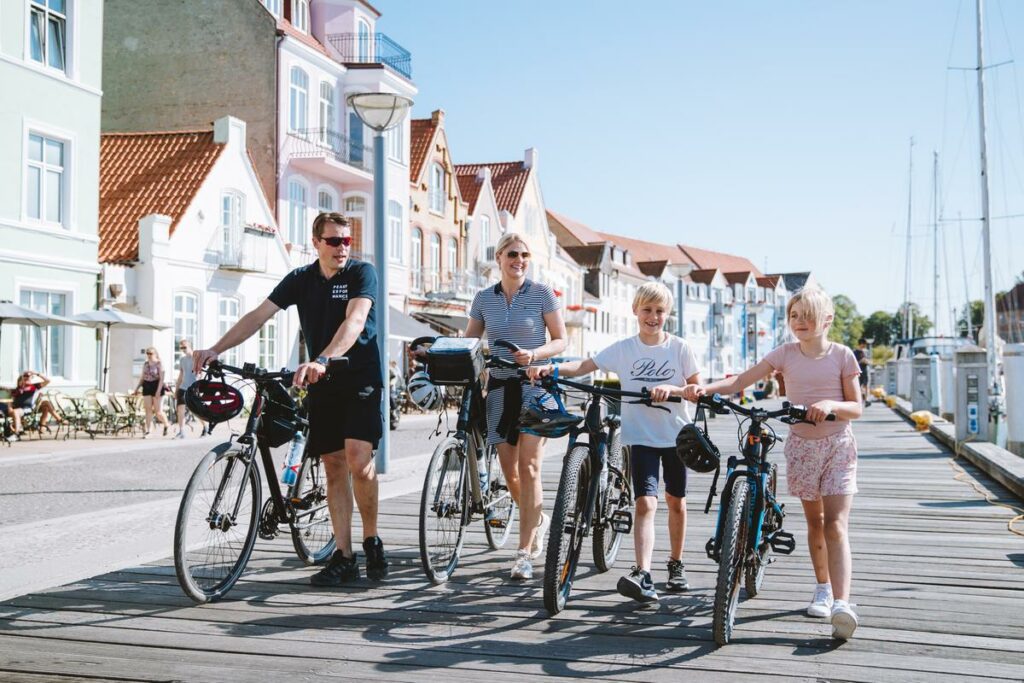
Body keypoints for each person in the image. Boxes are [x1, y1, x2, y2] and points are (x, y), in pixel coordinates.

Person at [194, 211, 388, 586]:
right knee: (333, 465)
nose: (341, 248)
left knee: (358, 460)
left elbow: (355, 321)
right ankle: (344, 556)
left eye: (346, 241)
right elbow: (258, 316)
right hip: (322, 382)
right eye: (333, 241)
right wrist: (216, 349)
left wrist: (322, 359)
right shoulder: (301, 279)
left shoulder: (362, 274)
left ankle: (372, 538)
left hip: (359, 376)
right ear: (315, 242)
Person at [683, 286, 864, 640]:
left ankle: (842, 603)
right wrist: (704, 389)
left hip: (838, 446)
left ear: (827, 320)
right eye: (794, 315)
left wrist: (829, 404)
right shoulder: (784, 354)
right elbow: (740, 381)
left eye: (808, 315)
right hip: (801, 447)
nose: (800, 322)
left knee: (836, 526)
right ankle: (823, 587)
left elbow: (856, 407)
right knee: (816, 522)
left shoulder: (842, 356)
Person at [528, 282, 699, 602]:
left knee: (676, 501)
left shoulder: (679, 348)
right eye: (647, 310)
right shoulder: (624, 348)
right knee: (645, 502)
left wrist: (672, 390)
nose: (653, 316)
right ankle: (643, 572)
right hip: (642, 438)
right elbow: (585, 365)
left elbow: (695, 386)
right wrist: (550, 368)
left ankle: (676, 563)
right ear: (635, 311)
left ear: (668, 314)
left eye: (659, 311)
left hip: (676, 436)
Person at [465, 232, 567, 580]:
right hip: (498, 387)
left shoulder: (542, 294)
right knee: (509, 472)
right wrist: (440, 352)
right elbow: (470, 341)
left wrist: (536, 355)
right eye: (512, 254)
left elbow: (561, 340)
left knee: (530, 468)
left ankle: (524, 552)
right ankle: (536, 517)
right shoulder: (483, 298)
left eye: (524, 254)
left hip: (536, 386)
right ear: (499, 258)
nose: (519, 260)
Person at [1, 370, 60, 440]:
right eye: (25, 376)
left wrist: (36, 373)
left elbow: (47, 381)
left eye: (28, 376)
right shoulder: (17, 389)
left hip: (27, 408)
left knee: (16, 412)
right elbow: (8, 390)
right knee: (11, 411)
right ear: (22, 378)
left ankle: (16, 434)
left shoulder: (34, 386)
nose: (26, 377)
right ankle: (17, 431)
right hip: (17, 408)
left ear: (31, 378)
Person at [135, 347, 171, 438]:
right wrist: (136, 388)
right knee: (148, 410)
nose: (149, 355)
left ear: (155, 354)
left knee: (158, 412)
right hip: (147, 385)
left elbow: (161, 379)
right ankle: (148, 431)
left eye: (150, 353)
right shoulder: (146, 364)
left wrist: (158, 391)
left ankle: (166, 424)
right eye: (147, 353)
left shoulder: (159, 364)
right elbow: (142, 377)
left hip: (156, 385)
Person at [174, 339, 202, 438]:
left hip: (193, 387)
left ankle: (205, 427)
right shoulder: (182, 360)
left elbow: (201, 373)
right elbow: (181, 375)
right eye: (181, 347)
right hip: (183, 387)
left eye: (184, 347)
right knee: (180, 409)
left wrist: (199, 386)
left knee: (197, 410)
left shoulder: (196, 358)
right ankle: (181, 431)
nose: (183, 349)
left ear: (190, 346)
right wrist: (176, 389)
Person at [854, 338, 871, 406]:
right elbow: (853, 363)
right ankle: (860, 399)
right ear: (860, 344)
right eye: (864, 344)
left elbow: (870, 361)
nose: (865, 346)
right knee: (858, 386)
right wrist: (860, 361)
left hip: (866, 370)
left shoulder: (866, 352)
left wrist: (867, 361)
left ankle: (866, 400)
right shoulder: (855, 352)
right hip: (858, 371)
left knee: (866, 385)